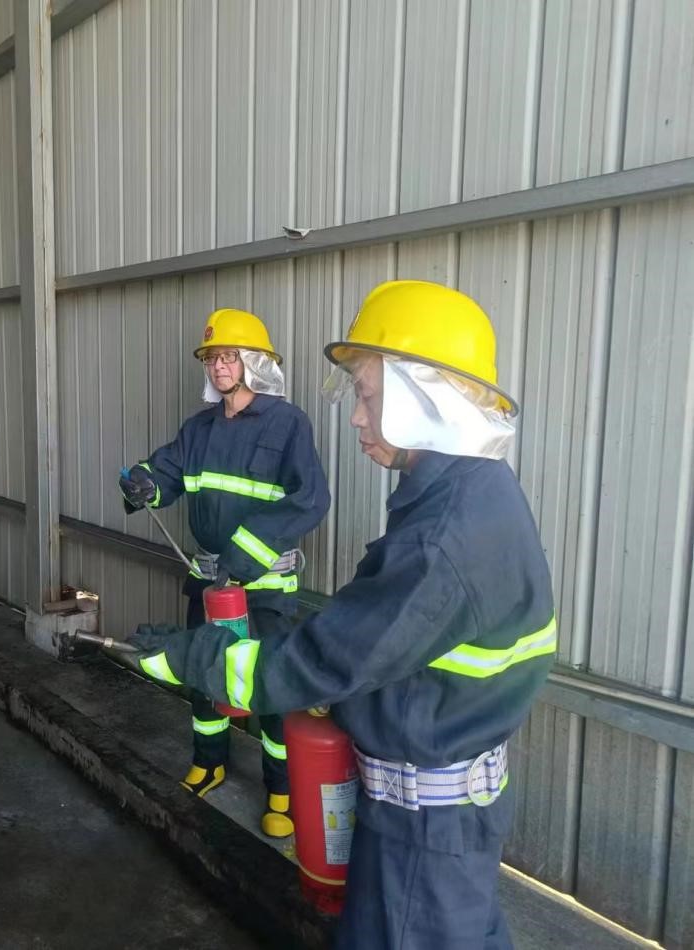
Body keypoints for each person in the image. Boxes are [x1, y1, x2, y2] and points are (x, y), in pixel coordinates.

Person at [131, 280, 555, 948]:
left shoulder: (439, 539)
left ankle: (276, 790)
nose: (356, 418)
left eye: (368, 396)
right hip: (432, 815)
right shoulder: (465, 493)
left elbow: (328, 658)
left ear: (425, 399)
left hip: (422, 831)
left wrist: (193, 657)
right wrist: (147, 483)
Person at [118, 307, 329, 838]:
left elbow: (310, 499)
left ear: (255, 363)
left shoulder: (288, 423)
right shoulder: (199, 428)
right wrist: (144, 482)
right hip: (211, 583)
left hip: (266, 588)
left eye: (230, 356)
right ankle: (209, 762)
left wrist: (244, 555)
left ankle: (281, 790)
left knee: (271, 685)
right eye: (212, 357)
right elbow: (167, 471)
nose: (218, 366)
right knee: (204, 672)